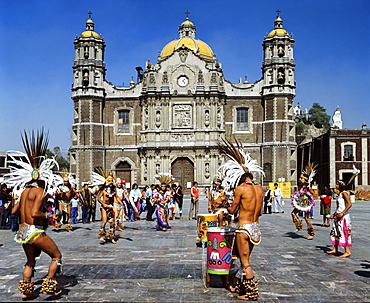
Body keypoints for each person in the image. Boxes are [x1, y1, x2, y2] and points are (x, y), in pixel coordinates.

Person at [8, 130, 62, 299]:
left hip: (23, 230)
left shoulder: (23, 192)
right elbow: (35, 212)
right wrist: (49, 216)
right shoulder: (39, 191)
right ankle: (49, 287)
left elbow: (14, 211)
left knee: (31, 261)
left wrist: (25, 217)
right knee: (56, 256)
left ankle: (26, 292)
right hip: (34, 230)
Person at [218, 137, 264, 301]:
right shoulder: (260, 189)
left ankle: (252, 293)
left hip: (243, 228)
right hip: (255, 229)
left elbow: (232, 210)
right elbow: (261, 211)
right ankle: (240, 286)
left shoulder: (241, 188)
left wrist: (225, 206)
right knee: (245, 258)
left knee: (245, 262)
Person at [326, 180, 353, 257]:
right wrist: (334, 214)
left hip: (343, 217)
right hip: (337, 216)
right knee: (335, 231)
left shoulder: (344, 193)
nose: (336, 185)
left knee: (343, 232)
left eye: (337, 184)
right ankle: (335, 249)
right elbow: (339, 206)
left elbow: (349, 204)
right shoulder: (339, 194)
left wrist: (343, 213)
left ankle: (347, 251)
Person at [291, 163, 317, 240]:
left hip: (306, 203)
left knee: (307, 218)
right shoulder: (300, 187)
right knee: (293, 213)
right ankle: (299, 226)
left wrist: (308, 196)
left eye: (301, 178)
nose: (299, 179)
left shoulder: (308, 187)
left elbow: (314, 195)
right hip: (300, 203)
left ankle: (311, 233)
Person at [96, 175, 121, 243]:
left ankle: (111, 237)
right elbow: (98, 198)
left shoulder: (114, 191)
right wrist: (103, 204)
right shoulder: (103, 191)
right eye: (109, 181)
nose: (110, 183)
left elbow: (117, 197)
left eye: (111, 181)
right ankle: (101, 235)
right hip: (104, 207)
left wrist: (122, 203)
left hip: (111, 207)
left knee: (112, 223)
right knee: (104, 221)